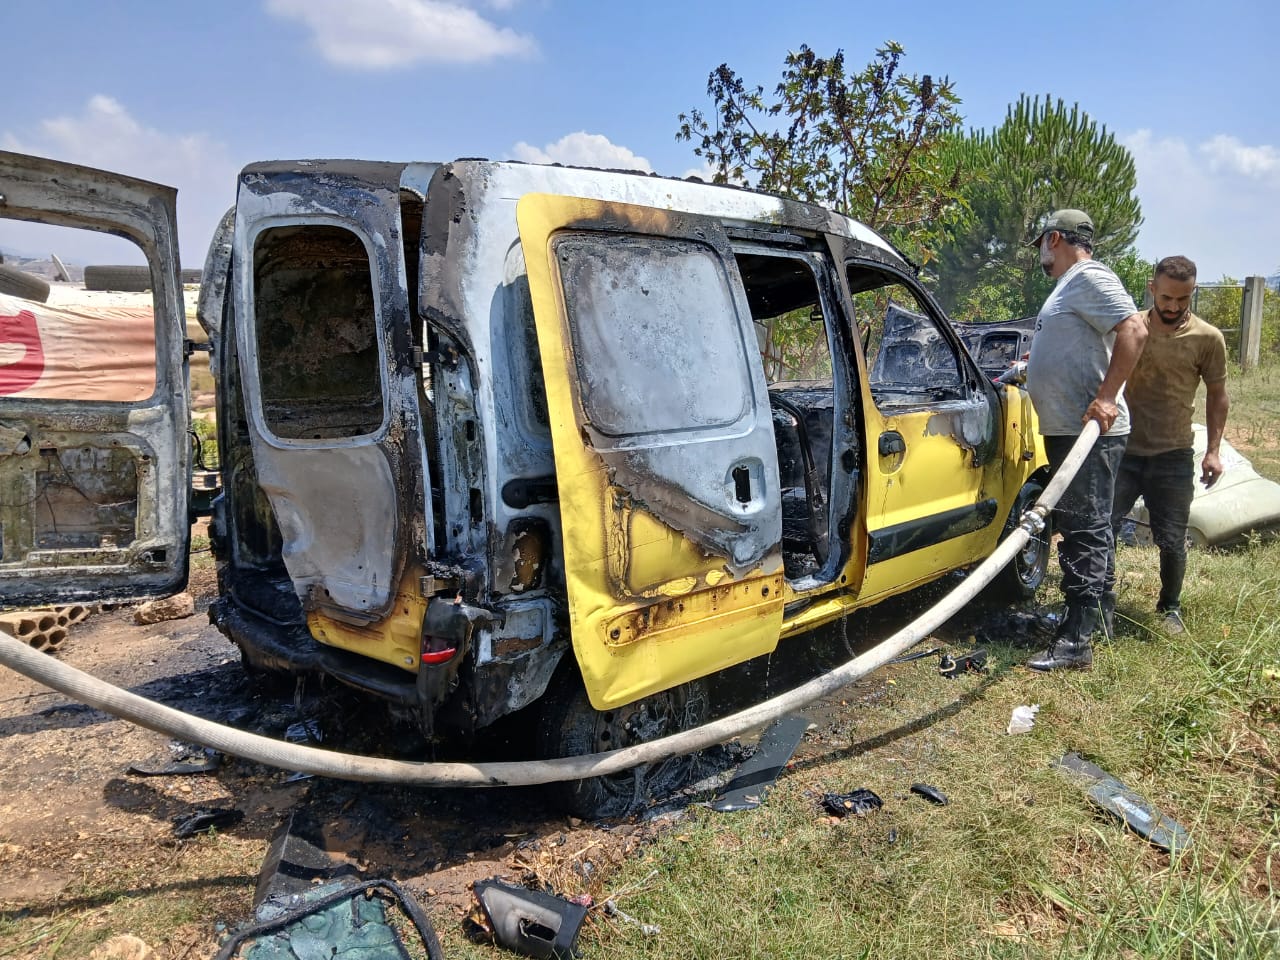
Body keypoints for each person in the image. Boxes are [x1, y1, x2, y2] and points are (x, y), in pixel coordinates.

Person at [1024, 209, 1148, 671]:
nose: (1041, 255)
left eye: (1042, 245)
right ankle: (1098, 620)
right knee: (1090, 524)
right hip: (1068, 430)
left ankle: (1076, 641)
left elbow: (1134, 329)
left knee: (1083, 528)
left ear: (1054, 239)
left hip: (1088, 434)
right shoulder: (1070, 286)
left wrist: (1107, 397)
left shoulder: (1089, 276)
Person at [1105, 255, 1228, 635]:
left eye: (1183, 299)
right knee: (1103, 527)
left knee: (1172, 537)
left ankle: (1170, 607)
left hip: (1173, 453)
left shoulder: (1208, 338)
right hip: (1123, 449)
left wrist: (1213, 450)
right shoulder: (1130, 329)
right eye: (1167, 298)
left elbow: (1218, 395)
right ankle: (1100, 602)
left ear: (1192, 294)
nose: (1173, 307)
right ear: (1152, 288)